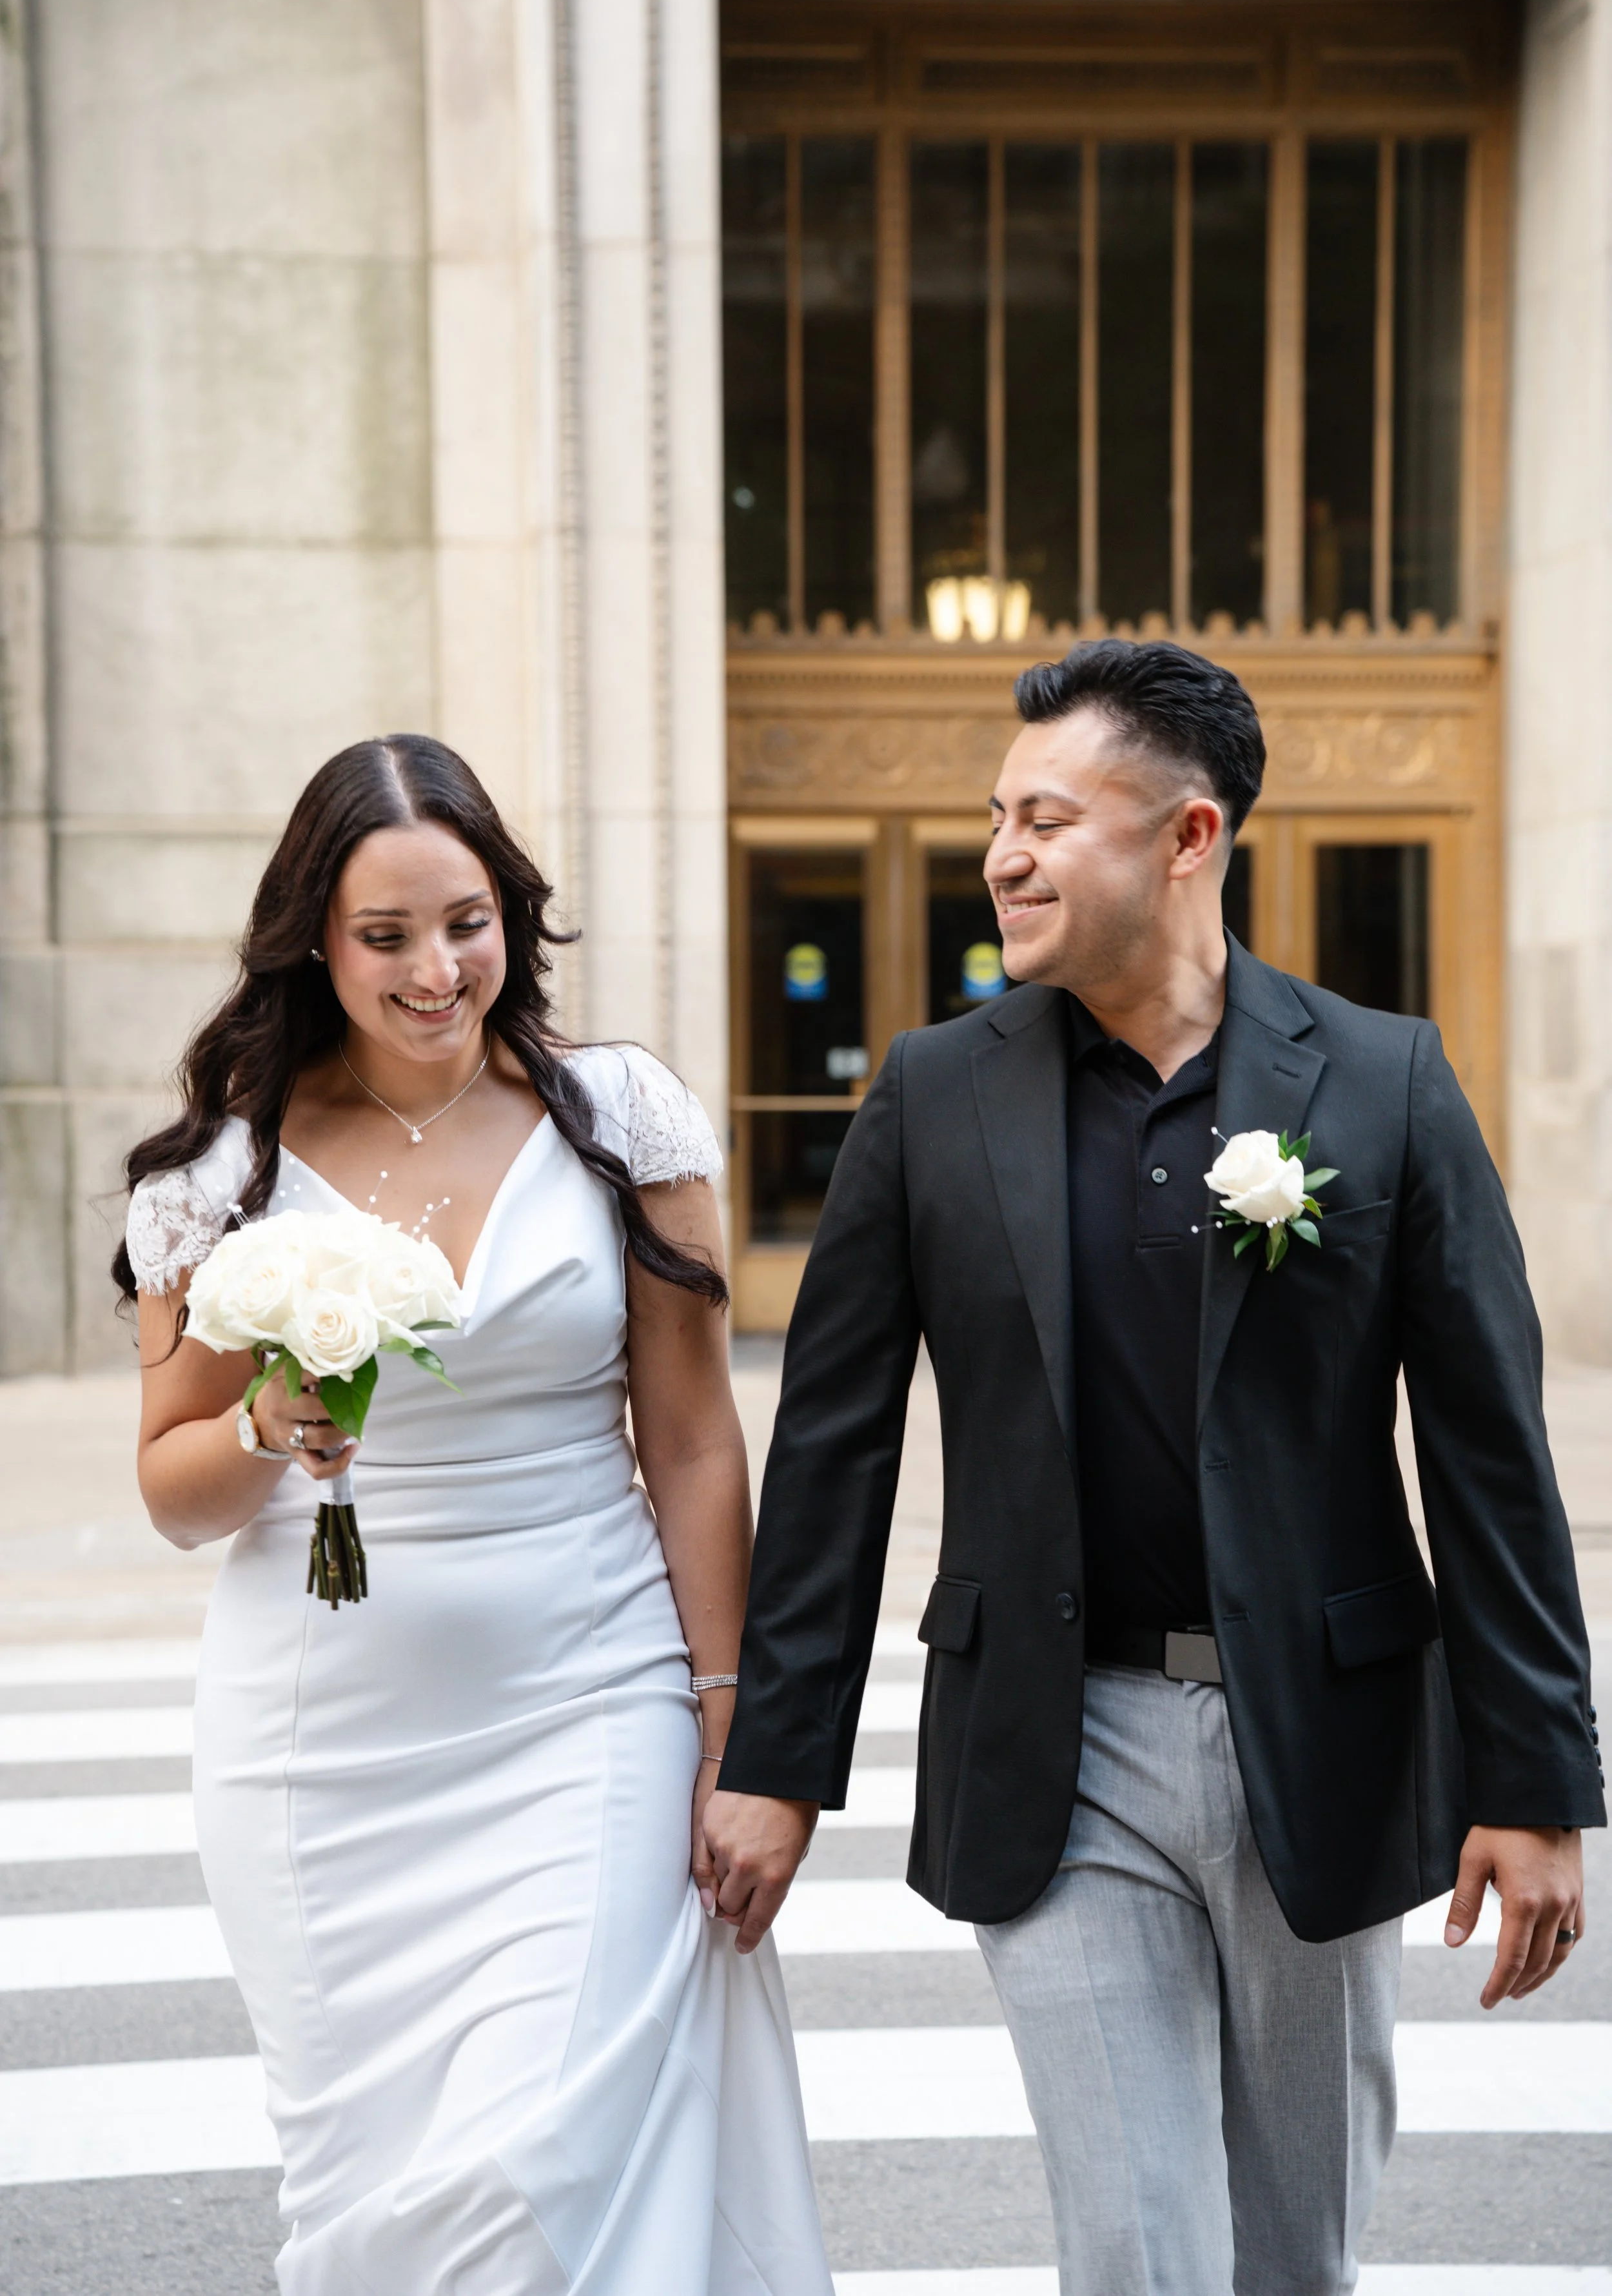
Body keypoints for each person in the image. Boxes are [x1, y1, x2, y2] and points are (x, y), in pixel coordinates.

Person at [703, 639, 1605, 2296]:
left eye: (1046, 817)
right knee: (1137, 2250)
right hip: (1061, 1745)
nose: (1001, 855)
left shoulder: (1386, 1084)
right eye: (995, 817)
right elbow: (833, 1444)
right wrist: (776, 1755)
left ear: (1187, 839)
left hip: (1315, 1742)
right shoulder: (930, 1095)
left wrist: (1533, 1780)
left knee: (1291, 2256)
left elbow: (1488, 1453)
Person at [116, 734, 830, 2296]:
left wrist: (734, 1729)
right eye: (387, 937)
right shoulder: (226, 1168)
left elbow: (697, 1445)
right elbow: (174, 1485)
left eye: (468, 922)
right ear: (314, 938)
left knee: (539, 2156)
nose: (437, 970)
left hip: (589, 1703)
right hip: (319, 1752)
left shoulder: (617, 1121)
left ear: (512, 913)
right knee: (377, 2198)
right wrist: (263, 1425)